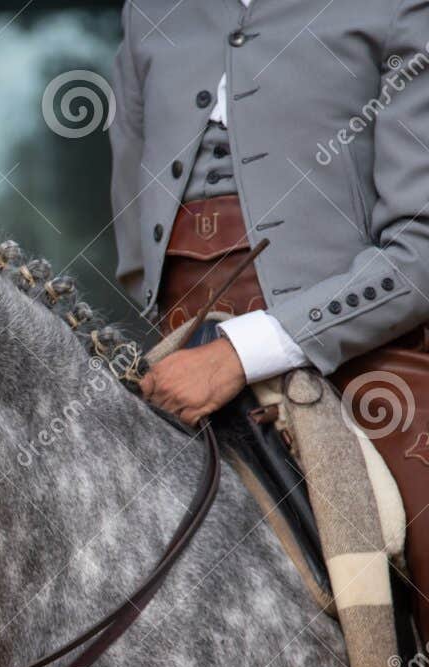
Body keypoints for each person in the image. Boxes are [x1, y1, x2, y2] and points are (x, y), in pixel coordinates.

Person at [110, 0, 429, 626]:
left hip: (364, 349)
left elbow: (421, 252)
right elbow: (131, 222)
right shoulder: (148, 10)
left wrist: (242, 350)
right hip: (176, 340)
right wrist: (182, 340)